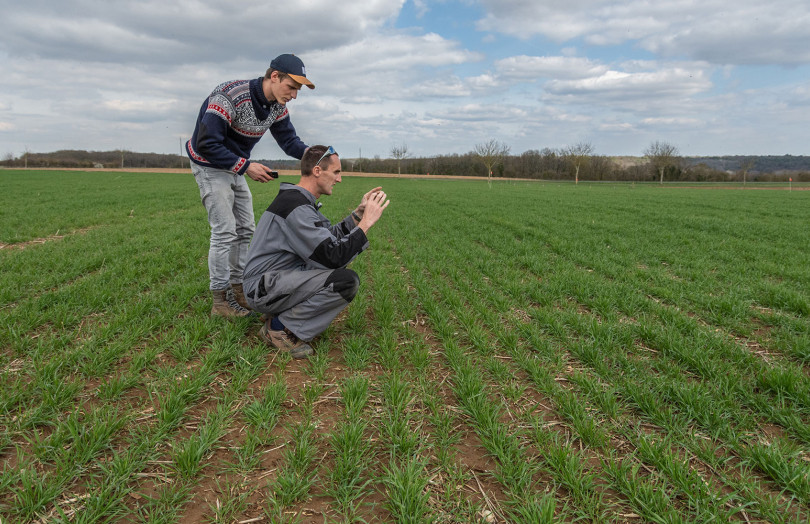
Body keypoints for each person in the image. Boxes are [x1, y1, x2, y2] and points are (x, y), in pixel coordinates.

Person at [186, 54, 314, 317]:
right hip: (209, 164)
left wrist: (316, 155)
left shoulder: (276, 106)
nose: (294, 95)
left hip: (234, 165)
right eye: (291, 87)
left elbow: (289, 141)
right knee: (224, 231)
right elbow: (205, 143)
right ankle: (220, 301)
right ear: (274, 76)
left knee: (245, 229)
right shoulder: (229, 96)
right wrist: (245, 166)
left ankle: (240, 289)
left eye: (298, 90)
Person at [242, 145, 390, 359]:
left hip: (271, 281)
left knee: (330, 271)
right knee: (343, 282)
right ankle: (278, 328)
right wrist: (366, 224)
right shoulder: (296, 207)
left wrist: (357, 216)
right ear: (318, 171)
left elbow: (324, 242)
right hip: (263, 287)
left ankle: (278, 314)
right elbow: (333, 257)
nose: (339, 179)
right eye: (336, 172)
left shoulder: (297, 202)